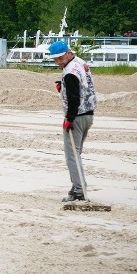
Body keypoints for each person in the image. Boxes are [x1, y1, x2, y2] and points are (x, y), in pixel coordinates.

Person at [49, 40, 97, 202]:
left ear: (68, 52)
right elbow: (82, 86)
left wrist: (69, 119)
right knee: (76, 153)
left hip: (76, 117)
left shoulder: (70, 73)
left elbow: (74, 98)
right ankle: (78, 185)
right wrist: (63, 87)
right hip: (89, 114)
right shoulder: (80, 63)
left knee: (72, 155)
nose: (58, 62)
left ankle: (79, 191)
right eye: (55, 59)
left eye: (60, 58)